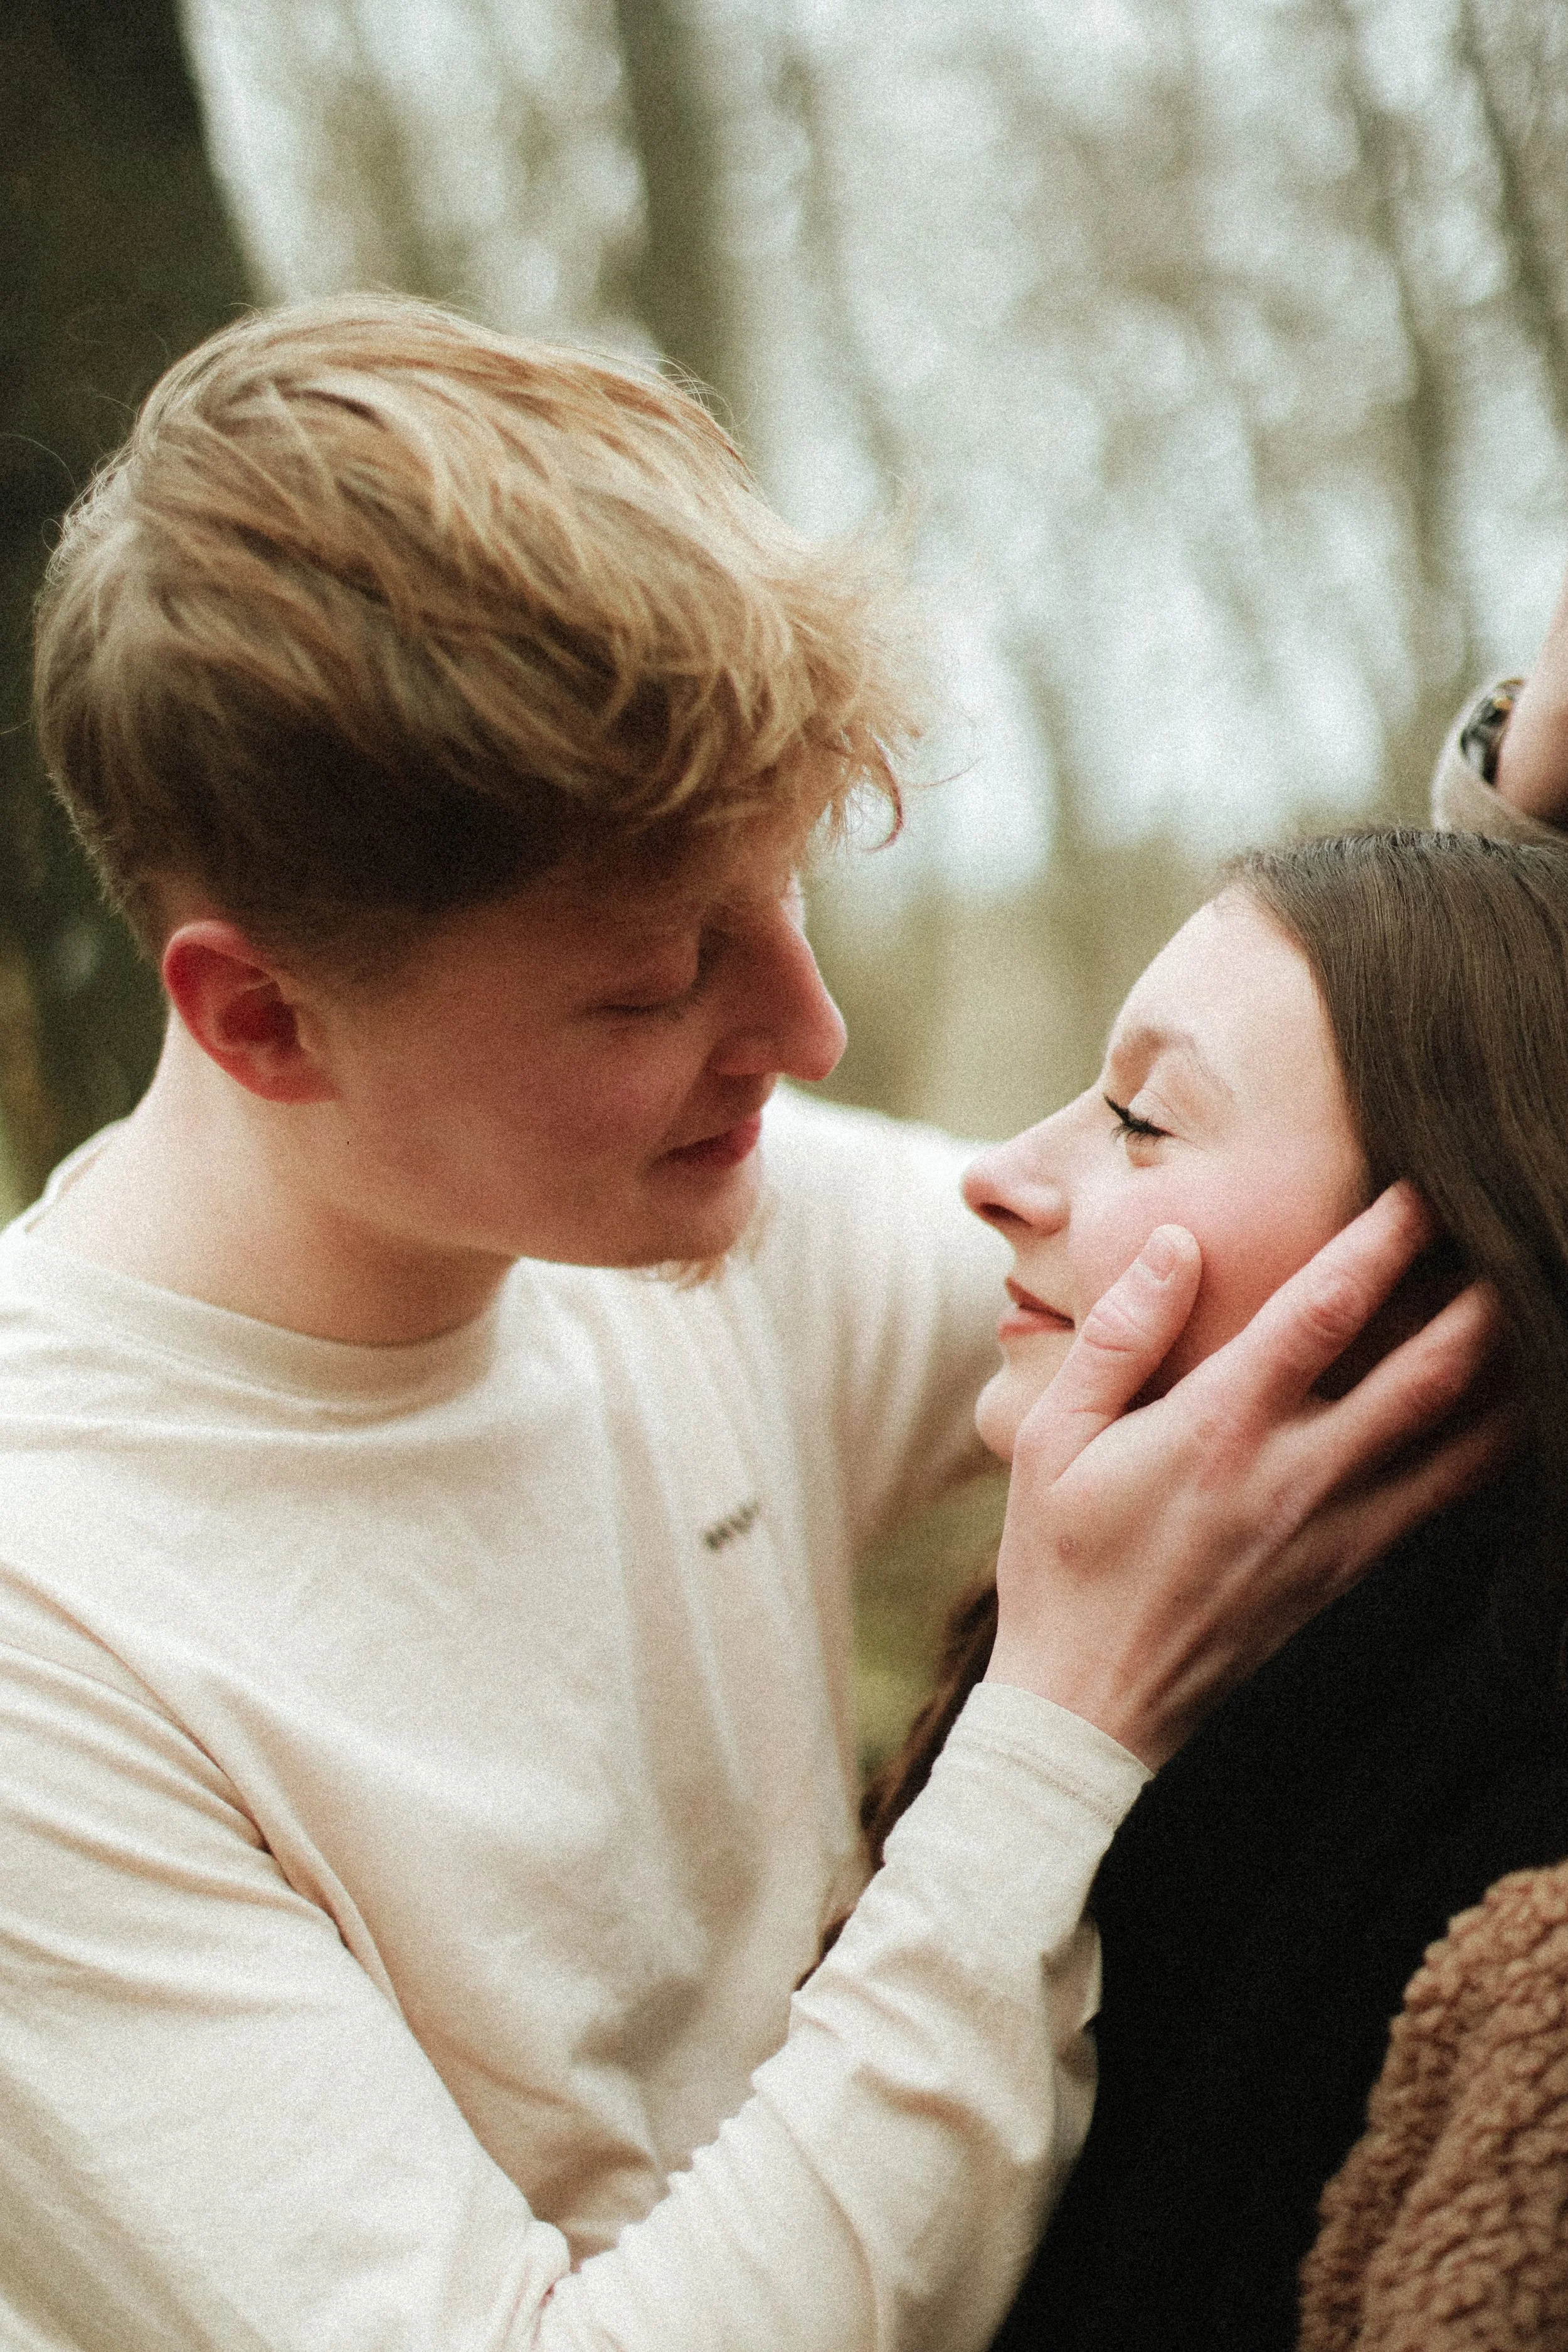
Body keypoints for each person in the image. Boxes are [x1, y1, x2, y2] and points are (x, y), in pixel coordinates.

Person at [0, 291, 1508, 2352]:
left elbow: (1266, 1241)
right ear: (261, 1018)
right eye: (651, 986)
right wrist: (1063, 1732)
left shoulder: (673, 1217)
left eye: (787, 899)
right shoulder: (48, 1632)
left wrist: (1510, 836)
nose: (806, 1036)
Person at [859, 823, 1568, 2351]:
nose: (998, 1176)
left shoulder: (1529, 1981)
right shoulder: (1054, 1709)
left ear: (1434, 1278)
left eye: (1138, 1117)